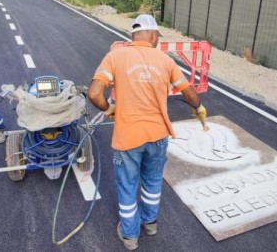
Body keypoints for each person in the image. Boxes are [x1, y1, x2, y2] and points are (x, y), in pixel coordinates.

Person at [88, 14, 207, 251]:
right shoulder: (165, 60)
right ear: (152, 35)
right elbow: (189, 92)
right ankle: (150, 224)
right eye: (157, 37)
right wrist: (199, 108)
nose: (157, 41)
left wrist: (109, 108)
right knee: (152, 182)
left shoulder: (115, 56)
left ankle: (130, 237)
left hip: (128, 138)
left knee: (127, 186)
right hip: (158, 135)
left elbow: (94, 93)